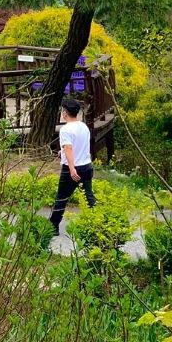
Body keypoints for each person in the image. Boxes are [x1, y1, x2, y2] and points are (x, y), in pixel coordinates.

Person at [49, 97, 95, 237]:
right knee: (89, 197)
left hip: (72, 168)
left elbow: (69, 148)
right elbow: (76, 145)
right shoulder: (83, 126)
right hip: (86, 165)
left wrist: (71, 168)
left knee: (62, 197)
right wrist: (61, 153)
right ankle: (97, 222)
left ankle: (53, 226)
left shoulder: (65, 129)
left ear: (65, 112)